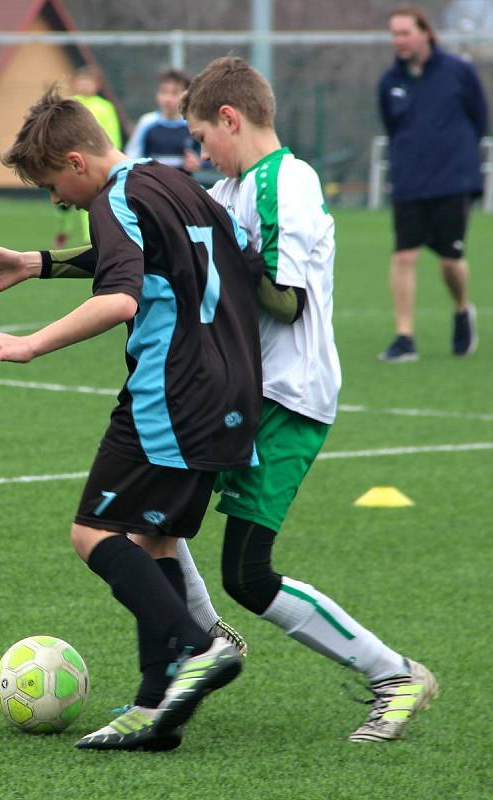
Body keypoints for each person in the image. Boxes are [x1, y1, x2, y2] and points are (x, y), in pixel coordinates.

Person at [0, 87, 265, 751]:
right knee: (150, 538)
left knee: (92, 532)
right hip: (232, 392)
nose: (57, 200)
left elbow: (122, 300)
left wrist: (29, 342)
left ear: (75, 161)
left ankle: (199, 646)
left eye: (51, 186)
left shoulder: (115, 197)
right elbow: (236, 263)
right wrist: (38, 263)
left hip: (171, 391)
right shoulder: (181, 186)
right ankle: (156, 707)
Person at [176, 55, 438, 743]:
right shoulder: (234, 187)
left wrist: (226, 263)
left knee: (246, 571)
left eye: (205, 137)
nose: (204, 153)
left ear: (231, 119)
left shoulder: (284, 183)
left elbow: (285, 303)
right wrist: (45, 263)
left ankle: (395, 675)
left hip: (286, 395)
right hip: (239, 390)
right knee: (153, 507)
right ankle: (204, 645)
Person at [377, 6, 488, 362]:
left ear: (426, 33)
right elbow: (394, 129)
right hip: (410, 182)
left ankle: (460, 309)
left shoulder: (459, 72)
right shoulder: (389, 82)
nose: (400, 40)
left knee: (450, 261)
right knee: (404, 256)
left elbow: (480, 118)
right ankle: (404, 337)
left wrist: (458, 159)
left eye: (405, 32)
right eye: (394, 34)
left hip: (453, 181)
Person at [54, 65, 123, 249]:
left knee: (91, 197)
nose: (85, 85)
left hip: (93, 159)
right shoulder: (71, 104)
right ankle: (63, 230)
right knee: (64, 203)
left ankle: (89, 238)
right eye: (81, 81)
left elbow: (112, 133)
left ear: (97, 85)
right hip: (70, 159)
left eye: (89, 81)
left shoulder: (105, 107)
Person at [125, 68, 200, 175]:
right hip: (152, 187)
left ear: (186, 96)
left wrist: (197, 162)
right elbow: (131, 157)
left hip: (183, 187)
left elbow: (205, 157)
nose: (168, 98)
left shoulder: (193, 124)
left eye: (175, 93)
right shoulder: (147, 122)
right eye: (164, 92)